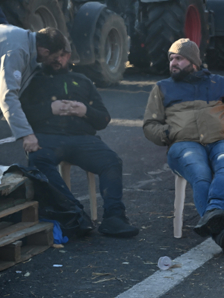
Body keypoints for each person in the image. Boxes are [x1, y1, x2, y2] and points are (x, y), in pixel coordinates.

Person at [143, 39, 224, 254]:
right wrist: (169, 134)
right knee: (200, 172)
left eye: (179, 58)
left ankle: (216, 221)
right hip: (183, 145)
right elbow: (149, 125)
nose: (173, 63)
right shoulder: (162, 88)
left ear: (193, 62)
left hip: (221, 141)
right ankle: (219, 226)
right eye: (171, 58)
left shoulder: (221, 83)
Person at [20, 44, 139, 237]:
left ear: (69, 55)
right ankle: (74, 213)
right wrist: (50, 108)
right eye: (54, 54)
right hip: (48, 138)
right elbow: (20, 116)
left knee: (111, 161)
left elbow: (103, 119)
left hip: (83, 138)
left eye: (63, 54)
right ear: (44, 54)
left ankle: (114, 218)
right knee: (37, 161)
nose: (58, 59)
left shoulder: (82, 80)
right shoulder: (33, 81)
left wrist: (85, 111)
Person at [0, 26, 70, 155]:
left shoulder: (26, 41)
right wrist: (27, 134)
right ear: (45, 51)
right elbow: (7, 95)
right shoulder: (16, 50)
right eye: (54, 57)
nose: (56, 60)